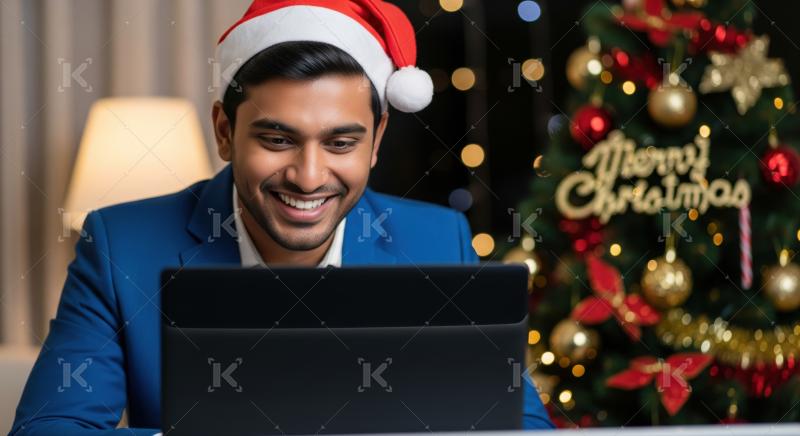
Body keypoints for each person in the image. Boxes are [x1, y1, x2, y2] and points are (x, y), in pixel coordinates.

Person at [10, 1, 553, 434]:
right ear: (225, 131)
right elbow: (51, 428)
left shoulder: (438, 240)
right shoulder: (119, 245)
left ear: (377, 141)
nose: (308, 176)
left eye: (341, 142)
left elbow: (516, 427)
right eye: (277, 139)